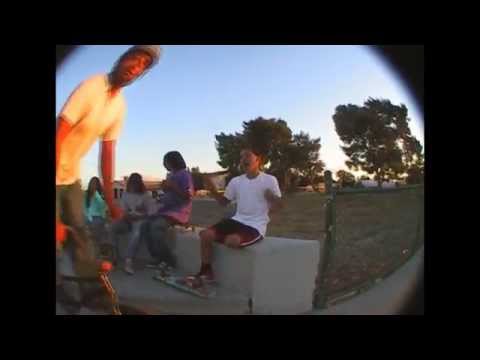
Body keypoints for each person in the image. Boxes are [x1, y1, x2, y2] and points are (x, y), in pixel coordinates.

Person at [56, 45, 161, 308]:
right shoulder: (92, 86)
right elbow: (60, 130)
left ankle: (85, 289)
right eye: (133, 59)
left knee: (80, 231)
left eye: (141, 66)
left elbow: (107, 154)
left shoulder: (119, 106)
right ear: (122, 59)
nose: (134, 67)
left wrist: (111, 201)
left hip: (71, 178)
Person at [195, 148, 283, 283]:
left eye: (247, 156)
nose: (243, 160)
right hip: (236, 220)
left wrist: (271, 197)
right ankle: (206, 272)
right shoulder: (236, 181)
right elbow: (223, 202)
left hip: (256, 226)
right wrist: (212, 189)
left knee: (232, 241)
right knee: (205, 235)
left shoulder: (270, 180)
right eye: (241, 157)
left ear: (258, 159)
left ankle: (221, 247)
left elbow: (279, 207)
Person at [144, 151, 194, 270]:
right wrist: (165, 189)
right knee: (145, 225)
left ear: (173, 161)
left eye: (165, 161)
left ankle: (169, 260)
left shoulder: (184, 175)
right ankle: (157, 257)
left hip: (178, 212)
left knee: (156, 227)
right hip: (165, 210)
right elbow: (170, 194)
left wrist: (172, 186)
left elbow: (187, 197)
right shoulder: (171, 175)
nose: (163, 164)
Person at [110, 173, 156, 275]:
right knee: (112, 227)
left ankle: (128, 260)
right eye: (131, 183)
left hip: (140, 220)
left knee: (136, 233)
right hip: (127, 220)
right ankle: (114, 255)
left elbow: (152, 212)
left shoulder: (146, 195)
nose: (133, 185)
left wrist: (140, 215)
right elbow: (123, 210)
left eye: (135, 183)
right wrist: (127, 215)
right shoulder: (126, 194)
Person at [84, 177, 108, 245]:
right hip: (87, 216)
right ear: (90, 184)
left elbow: (103, 209)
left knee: (97, 224)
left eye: (95, 183)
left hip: (98, 217)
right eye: (92, 183)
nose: (93, 185)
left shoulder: (100, 195)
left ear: (98, 185)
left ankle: (98, 245)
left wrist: (104, 219)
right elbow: (84, 208)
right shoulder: (85, 194)